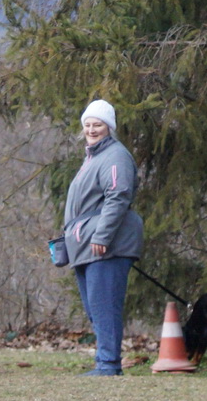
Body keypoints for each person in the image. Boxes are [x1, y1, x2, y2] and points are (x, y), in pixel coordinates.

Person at [62, 99, 145, 376]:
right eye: (87, 125)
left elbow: (118, 196)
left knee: (105, 306)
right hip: (87, 244)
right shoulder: (93, 157)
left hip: (106, 245)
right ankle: (104, 361)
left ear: (109, 127)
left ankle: (108, 364)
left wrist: (103, 236)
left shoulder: (116, 156)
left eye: (97, 125)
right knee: (95, 307)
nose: (92, 130)